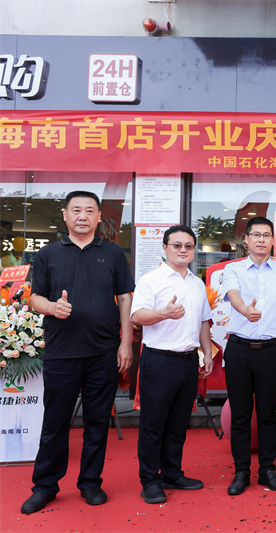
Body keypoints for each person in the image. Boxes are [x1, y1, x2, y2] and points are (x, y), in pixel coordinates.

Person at [22, 191, 134, 514]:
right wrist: (52, 308)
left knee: (97, 422)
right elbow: (35, 298)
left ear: (99, 217)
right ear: (65, 215)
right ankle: (45, 486)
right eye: (76, 210)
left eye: (89, 210)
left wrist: (126, 343)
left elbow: (125, 298)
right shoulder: (48, 254)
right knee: (55, 422)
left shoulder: (113, 253)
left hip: (104, 352)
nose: (82, 216)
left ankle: (90, 482)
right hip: (62, 353)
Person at [131, 225, 215, 504]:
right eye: (177, 245)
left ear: (193, 250)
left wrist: (207, 353)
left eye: (188, 246)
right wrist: (163, 313)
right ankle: (150, 480)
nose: (183, 250)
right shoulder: (151, 280)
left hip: (188, 361)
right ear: (165, 248)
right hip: (159, 360)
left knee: (179, 423)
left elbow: (203, 321)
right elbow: (137, 316)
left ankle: (172, 473)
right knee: (153, 424)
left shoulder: (197, 283)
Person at [222, 217, 276, 495]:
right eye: (256, 235)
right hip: (239, 349)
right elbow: (232, 294)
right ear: (246, 239)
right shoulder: (233, 269)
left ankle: (268, 470)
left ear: (273, 240)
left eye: (266, 235)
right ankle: (241, 472)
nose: (261, 240)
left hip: (271, 350)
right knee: (240, 416)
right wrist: (245, 310)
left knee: (268, 415)